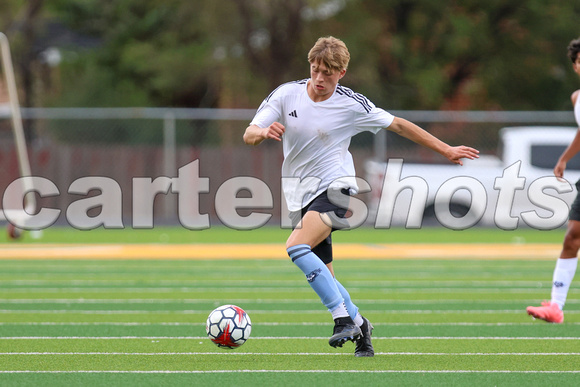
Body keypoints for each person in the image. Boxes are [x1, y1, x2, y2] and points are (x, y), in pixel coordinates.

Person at [243, 36, 479, 356]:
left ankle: (341, 319)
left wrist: (446, 149)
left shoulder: (351, 104)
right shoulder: (287, 95)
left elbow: (398, 126)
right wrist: (264, 132)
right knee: (323, 271)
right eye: (316, 70)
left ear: (342, 72)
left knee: (296, 246)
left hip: (338, 188)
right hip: (300, 194)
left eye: (329, 72)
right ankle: (360, 323)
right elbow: (249, 134)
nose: (320, 78)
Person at [527, 37, 580, 324]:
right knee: (572, 237)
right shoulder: (577, 98)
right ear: (575, 66)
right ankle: (556, 307)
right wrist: (564, 157)